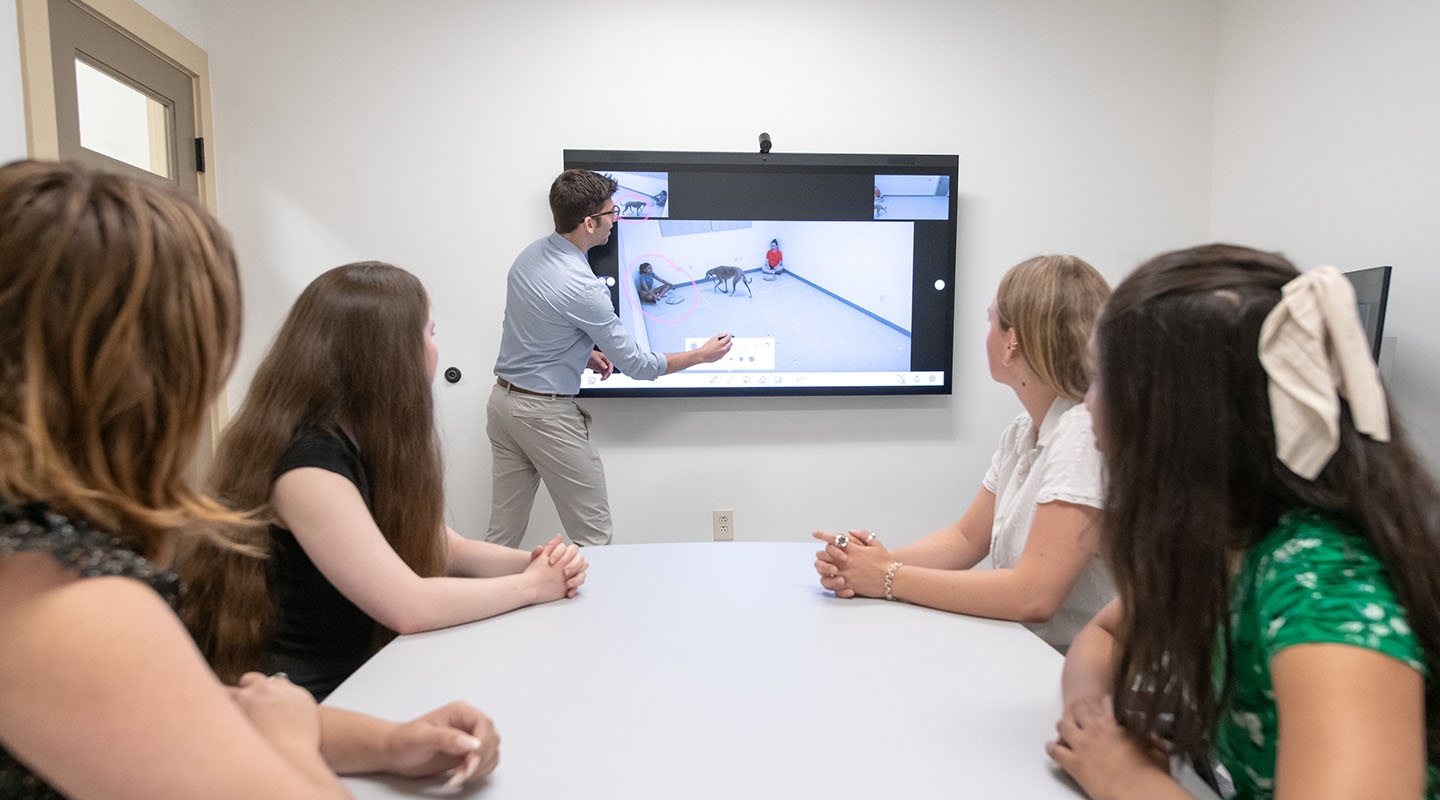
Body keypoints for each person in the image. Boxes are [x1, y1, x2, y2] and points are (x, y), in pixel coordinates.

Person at [0, 160, 499, 798]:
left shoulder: (37, 561)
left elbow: (190, 716)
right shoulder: (71, 605)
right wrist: (290, 739)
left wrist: (388, 743)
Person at [1046, 244, 1440, 799]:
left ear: (1179, 413)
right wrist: (1093, 717)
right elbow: (1105, 634)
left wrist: (1125, 780)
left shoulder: (1319, 586)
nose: (1088, 405)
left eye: (1099, 379)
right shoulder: (1221, 537)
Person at [182, 261, 588, 702]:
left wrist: (542, 562)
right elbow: (407, 605)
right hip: (314, 701)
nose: (436, 349)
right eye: (429, 334)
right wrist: (531, 585)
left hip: (367, 671)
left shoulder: (361, 442)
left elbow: (449, 549)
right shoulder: (308, 467)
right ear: (388, 355)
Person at [813, 254, 1114, 651]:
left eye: (991, 321)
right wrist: (868, 564)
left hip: (1086, 682)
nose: (985, 333)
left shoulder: (1081, 433)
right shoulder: (1024, 430)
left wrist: (887, 576)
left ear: (1012, 344)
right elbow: (966, 538)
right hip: (1034, 658)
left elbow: (1034, 595)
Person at [486, 169, 732, 548]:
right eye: (611, 213)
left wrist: (581, 355)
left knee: (501, 536)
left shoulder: (531, 254)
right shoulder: (582, 287)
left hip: (503, 405)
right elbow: (638, 365)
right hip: (543, 414)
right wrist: (701, 355)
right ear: (589, 223)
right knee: (594, 537)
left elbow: (531, 327)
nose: (616, 220)